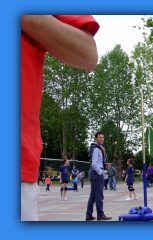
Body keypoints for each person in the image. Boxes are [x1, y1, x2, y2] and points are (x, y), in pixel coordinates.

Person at [21, 15, 100, 221]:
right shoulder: (71, 164)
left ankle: (93, 211)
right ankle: (88, 210)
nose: (100, 140)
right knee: (83, 191)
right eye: (99, 138)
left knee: (92, 192)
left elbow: (89, 54)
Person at [86, 131, 112, 221]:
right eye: (100, 137)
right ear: (96, 138)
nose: (102, 139)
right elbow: (94, 163)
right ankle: (100, 214)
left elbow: (102, 160)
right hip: (96, 172)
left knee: (93, 194)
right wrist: (100, 172)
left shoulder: (98, 148)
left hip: (94, 172)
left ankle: (89, 214)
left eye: (103, 138)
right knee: (99, 194)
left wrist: (104, 153)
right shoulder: (96, 149)